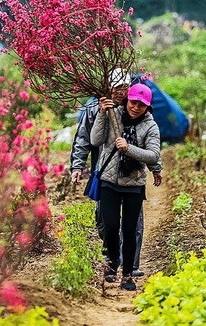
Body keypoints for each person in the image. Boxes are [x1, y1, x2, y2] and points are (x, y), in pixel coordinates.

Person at [70, 69, 161, 277]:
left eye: (124, 88)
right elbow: (85, 139)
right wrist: (77, 165)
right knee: (106, 222)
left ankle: (131, 266)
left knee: (133, 225)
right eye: (117, 87)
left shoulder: (141, 111)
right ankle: (111, 262)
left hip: (132, 178)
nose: (121, 92)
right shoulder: (96, 108)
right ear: (109, 87)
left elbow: (152, 147)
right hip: (106, 174)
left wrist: (155, 168)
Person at [90, 83, 162, 291]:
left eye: (142, 105)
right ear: (126, 100)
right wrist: (102, 114)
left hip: (134, 184)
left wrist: (129, 148)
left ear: (147, 107)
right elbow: (96, 140)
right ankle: (112, 264)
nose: (136, 107)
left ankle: (128, 274)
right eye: (133, 102)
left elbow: (153, 155)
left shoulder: (150, 126)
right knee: (110, 226)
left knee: (129, 230)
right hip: (109, 181)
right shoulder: (113, 113)